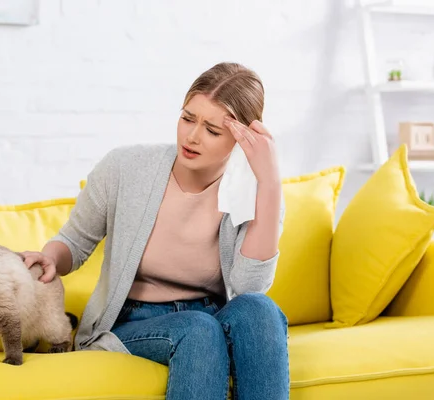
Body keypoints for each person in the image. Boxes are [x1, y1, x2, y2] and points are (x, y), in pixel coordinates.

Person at [21, 62, 289, 400]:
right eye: (188, 118)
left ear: (242, 138)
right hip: (134, 321)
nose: (192, 136)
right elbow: (74, 241)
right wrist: (48, 258)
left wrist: (269, 182)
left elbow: (250, 288)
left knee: (259, 309)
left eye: (212, 130)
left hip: (214, 316)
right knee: (199, 329)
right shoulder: (124, 168)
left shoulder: (258, 193)